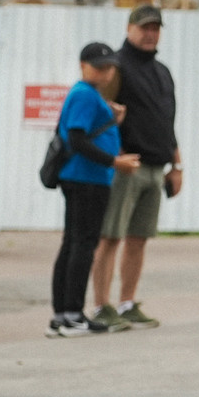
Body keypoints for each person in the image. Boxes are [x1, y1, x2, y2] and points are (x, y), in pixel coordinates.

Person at [89, 3, 180, 331]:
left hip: (156, 166)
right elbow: (100, 116)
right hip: (127, 166)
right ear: (129, 28)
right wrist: (117, 156)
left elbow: (168, 121)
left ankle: (127, 303)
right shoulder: (116, 67)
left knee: (138, 238)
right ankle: (101, 305)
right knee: (110, 236)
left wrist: (177, 163)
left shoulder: (162, 72)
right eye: (144, 27)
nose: (150, 34)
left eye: (155, 28)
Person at [51, 44, 134, 337]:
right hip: (88, 179)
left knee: (73, 242)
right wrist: (114, 161)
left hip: (83, 178)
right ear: (83, 65)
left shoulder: (87, 94)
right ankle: (73, 314)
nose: (106, 72)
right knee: (83, 245)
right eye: (99, 66)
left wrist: (112, 120)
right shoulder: (85, 94)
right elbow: (77, 139)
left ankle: (63, 314)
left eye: (109, 66)